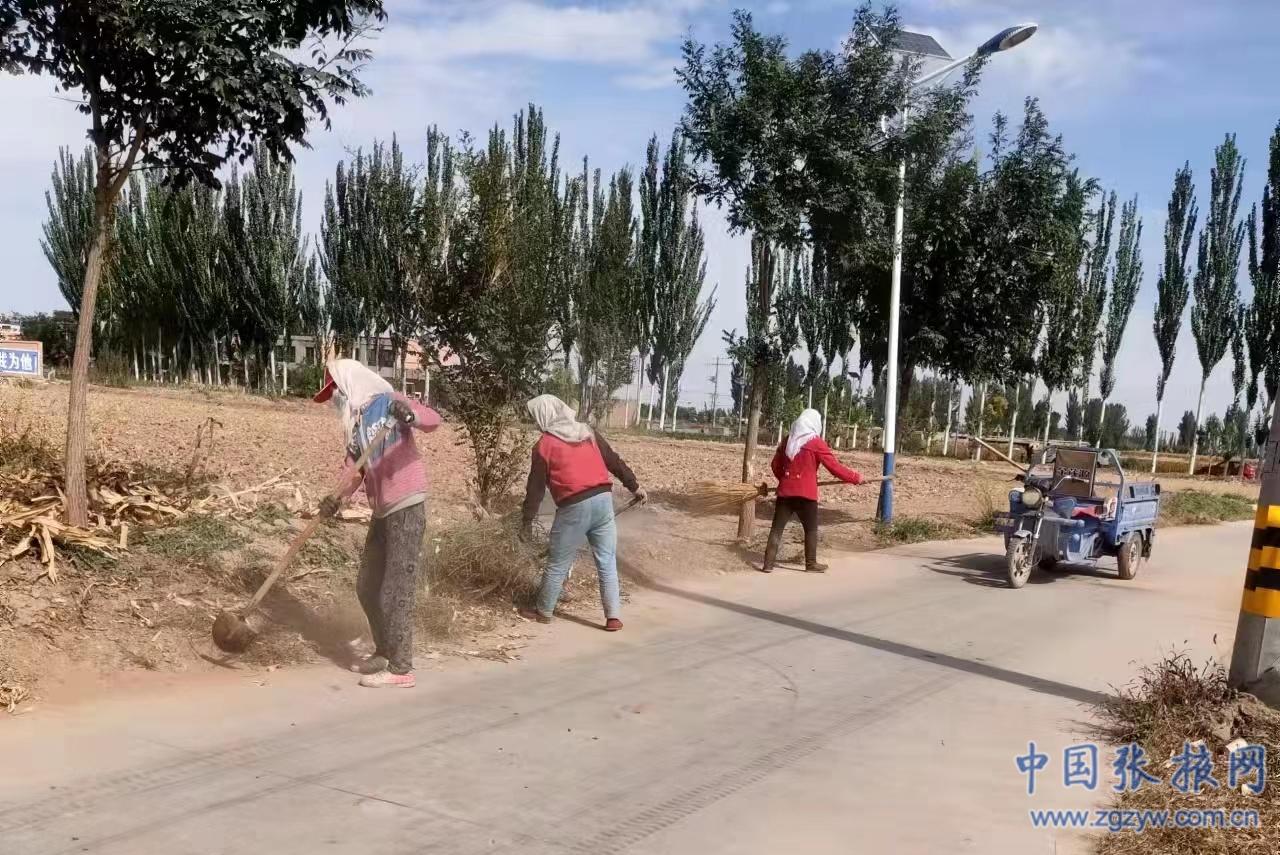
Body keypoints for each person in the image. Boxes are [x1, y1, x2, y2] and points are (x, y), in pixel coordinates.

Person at [313, 358, 441, 688]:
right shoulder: (357, 426)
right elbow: (354, 471)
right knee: (367, 586)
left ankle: (401, 668)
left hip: (407, 505)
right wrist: (335, 498)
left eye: (336, 392)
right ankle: (384, 651)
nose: (335, 400)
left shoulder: (388, 402)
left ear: (348, 385)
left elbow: (432, 420)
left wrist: (409, 415)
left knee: (396, 590)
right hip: (382, 510)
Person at [519, 394, 646, 631]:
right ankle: (613, 617)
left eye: (535, 418)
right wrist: (635, 486)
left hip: (574, 506)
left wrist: (526, 521)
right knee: (607, 561)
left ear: (543, 416)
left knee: (557, 562)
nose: (535, 423)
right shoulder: (587, 432)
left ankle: (543, 611)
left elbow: (535, 489)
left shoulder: (544, 445)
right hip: (603, 502)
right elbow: (614, 461)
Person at [762, 408, 863, 574]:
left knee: (776, 529)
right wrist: (855, 478)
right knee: (810, 529)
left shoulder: (787, 440)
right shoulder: (816, 442)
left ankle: (768, 564)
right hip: (806, 495)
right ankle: (811, 564)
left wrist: (786, 480)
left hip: (785, 493)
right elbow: (834, 467)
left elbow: (775, 465)